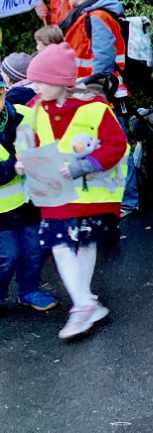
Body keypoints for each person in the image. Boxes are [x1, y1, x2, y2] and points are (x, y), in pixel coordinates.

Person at [16, 43, 128, 339]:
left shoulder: (95, 110)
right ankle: (83, 304)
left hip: (93, 195)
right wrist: (24, 162)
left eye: (40, 81)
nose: (34, 86)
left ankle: (84, 304)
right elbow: (31, 143)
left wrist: (84, 165)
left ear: (60, 81)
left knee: (83, 243)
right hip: (56, 194)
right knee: (61, 244)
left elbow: (117, 146)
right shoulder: (34, 109)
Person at [58, 0, 137, 216]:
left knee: (116, 143)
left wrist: (88, 84)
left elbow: (103, 59)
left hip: (98, 89)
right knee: (107, 142)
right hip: (93, 88)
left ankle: (128, 199)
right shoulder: (95, 14)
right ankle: (119, 199)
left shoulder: (96, 16)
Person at [0, 76, 57, 312]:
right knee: (7, 256)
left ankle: (29, 290)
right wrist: (12, 167)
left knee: (34, 249)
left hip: (29, 200)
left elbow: (49, 139)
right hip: (2, 209)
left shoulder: (25, 113)